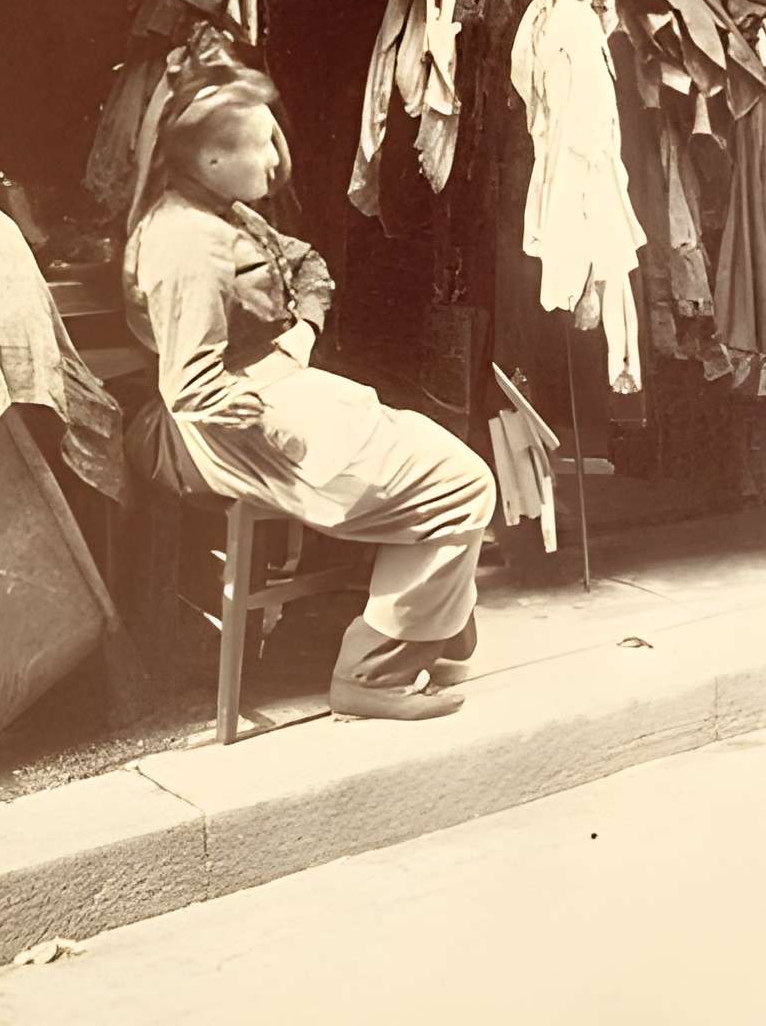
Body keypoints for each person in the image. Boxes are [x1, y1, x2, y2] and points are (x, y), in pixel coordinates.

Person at [123, 67, 495, 721]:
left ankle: (430, 625)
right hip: (224, 429)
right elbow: (192, 387)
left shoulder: (221, 214)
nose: (277, 160)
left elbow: (303, 266)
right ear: (212, 157)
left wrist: (299, 343)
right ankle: (374, 672)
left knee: (432, 457)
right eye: (262, 144)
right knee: (459, 484)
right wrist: (292, 412)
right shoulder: (189, 242)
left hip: (264, 390)